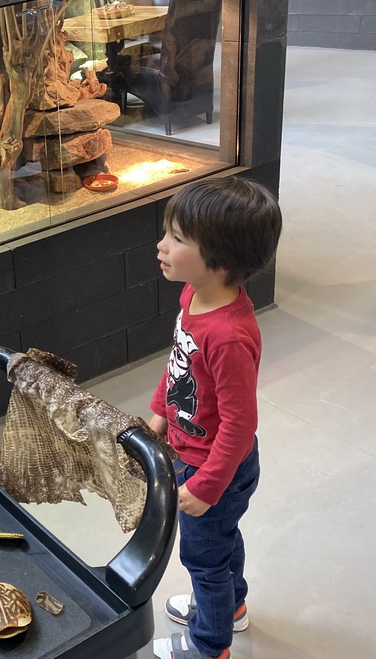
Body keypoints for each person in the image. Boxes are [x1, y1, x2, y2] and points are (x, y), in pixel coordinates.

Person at [149, 176, 282, 659]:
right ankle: (230, 608)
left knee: (203, 560)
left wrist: (205, 486)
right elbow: (178, 362)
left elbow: (240, 424)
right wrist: (161, 411)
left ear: (221, 260)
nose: (162, 245)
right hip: (197, 454)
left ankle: (209, 646)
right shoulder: (193, 295)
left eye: (178, 238)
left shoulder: (227, 337)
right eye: (167, 232)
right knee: (221, 543)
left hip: (215, 468)